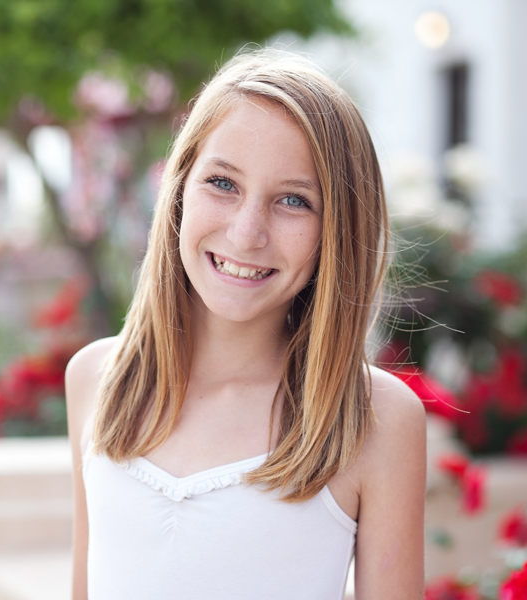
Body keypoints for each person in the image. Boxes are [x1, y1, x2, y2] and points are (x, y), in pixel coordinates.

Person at [65, 49, 426, 600]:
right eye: (223, 183)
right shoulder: (97, 378)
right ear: (179, 189)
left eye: (293, 200)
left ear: (337, 230)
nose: (246, 233)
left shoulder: (374, 418)